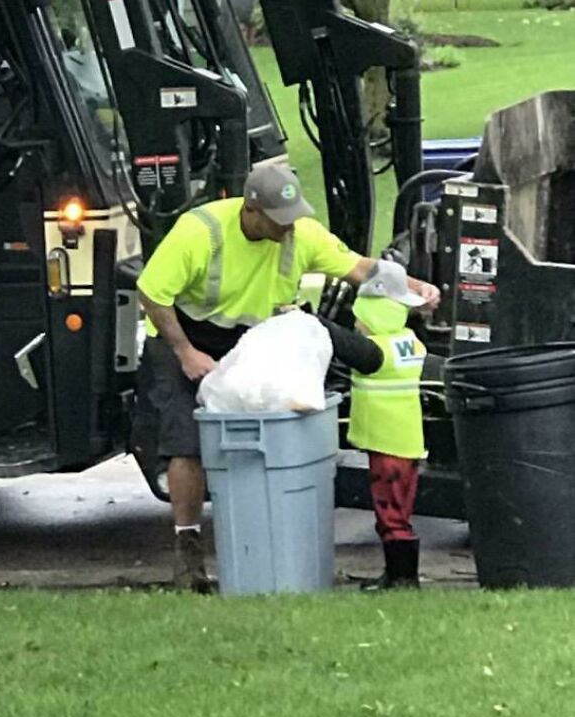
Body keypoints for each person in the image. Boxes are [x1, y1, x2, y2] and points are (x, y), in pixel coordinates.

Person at [136, 163, 440, 591]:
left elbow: (360, 269)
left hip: (250, 334)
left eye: (294, 216)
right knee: (187, 440)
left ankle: (262, 539)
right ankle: (188, 554)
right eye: (280, 220)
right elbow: (152, 293)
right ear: (251, 211)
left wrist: (414, 288)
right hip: (184, 333)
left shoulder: (302, 234)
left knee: (272, 424)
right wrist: (186, 353)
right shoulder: (200, 231)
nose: (290, 228)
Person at [347, 260, 428, 590]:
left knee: (390, 512)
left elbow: (341, 343)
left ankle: (402, 578)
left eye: (359, 316)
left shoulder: (374, 352)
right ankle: (398, 574)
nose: (355, 323)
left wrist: (308, 319)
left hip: (387, 445)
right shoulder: (409, 343)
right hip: (407, 442)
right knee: (401, 509)